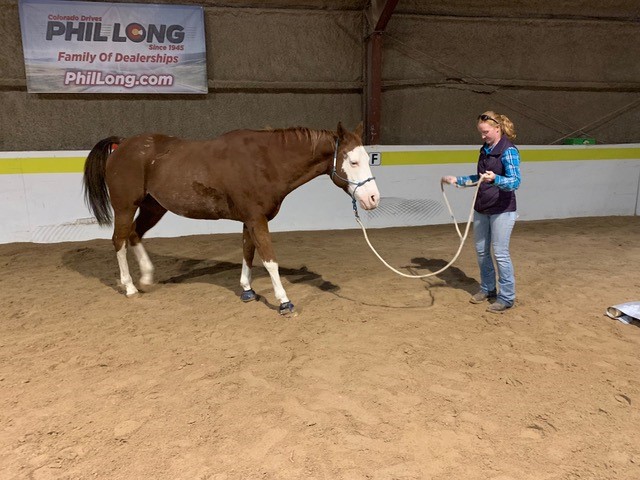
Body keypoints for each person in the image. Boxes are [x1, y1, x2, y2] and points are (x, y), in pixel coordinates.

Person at [441, 111, 522, 313]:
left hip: (502, 209)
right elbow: (479, 178)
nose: (483, 136)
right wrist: (457, 180)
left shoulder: (509, 151)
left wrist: (496, 179)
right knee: (481, 252)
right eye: (481, 132)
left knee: (500, 254)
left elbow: (515, 181)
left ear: (497, 128)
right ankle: (488, 288)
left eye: (485, 132)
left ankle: (507, 297)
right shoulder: (485, 150)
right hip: (482, 207)